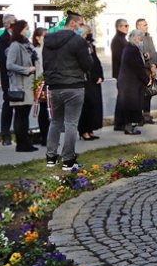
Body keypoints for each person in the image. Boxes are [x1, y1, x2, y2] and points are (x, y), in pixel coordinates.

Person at [42, 10, 93, 171]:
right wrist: (89, 55)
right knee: (71, 123)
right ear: (72, 23)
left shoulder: (48, 39)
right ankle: (68, 160)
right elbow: (87, 64)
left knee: (55, 121)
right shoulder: (78, 41)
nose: (81, 27)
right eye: (80, 24)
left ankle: (51, 157)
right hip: (73, 86)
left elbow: (45, 63)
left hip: (54, 86)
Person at [5, 19, 39, 153]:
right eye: (26, 28)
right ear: (20, 30)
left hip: (27, 85)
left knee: (24, 116)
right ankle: (21, 144)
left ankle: (25, 143)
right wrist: (26, 70)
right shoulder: (15, 45)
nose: (28, 31)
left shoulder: (26, 44)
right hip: (20, 86)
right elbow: (9, 65)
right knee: (20, 116)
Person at [117, 29, 149, 135]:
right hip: (130, 83)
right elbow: (138, 68)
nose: (141, 41)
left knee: (131, 105)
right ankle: (129, 128)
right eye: (140, 38)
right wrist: (147, 80)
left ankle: (130, 126)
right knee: (131, 106)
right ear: (136, 38)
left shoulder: (130, 47)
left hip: (129, 81)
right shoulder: (132, 49)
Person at [0, 13, 17, 146]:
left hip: (20, 77)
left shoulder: (18, 37)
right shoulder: (2, 40)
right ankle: (5, 135)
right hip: (9, 78)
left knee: (21, 106)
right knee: (8, 104)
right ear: (7, 24)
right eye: (15, 22)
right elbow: (3, 60)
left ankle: (21, 134)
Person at [78, 26, 104, 141]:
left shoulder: (91, 45)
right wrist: (94, 76)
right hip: (86, 80)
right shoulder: (80, 46)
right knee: (86, 106)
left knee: (94, 105)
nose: (90, 34)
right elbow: (85, 64)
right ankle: (84, 130)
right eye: (88, 32)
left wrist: (100, 75)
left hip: (95, 80)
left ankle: (91, 129)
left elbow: (96, 62)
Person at [135, 18, 157, 124]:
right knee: (140, 94)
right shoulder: (135, 38)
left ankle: (147, 115)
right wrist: (146, 57)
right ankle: (138, 117)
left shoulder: (148, 37)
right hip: (141, 70)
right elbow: (137, 54)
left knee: (148, 94)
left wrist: (154, 64)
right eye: (144, 25)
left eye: (146, 25)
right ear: (138, 26)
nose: (146, 27)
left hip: (149, 69)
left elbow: (153, 52)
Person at [110, 18, 129, 131]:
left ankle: (122, 122)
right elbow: (120, 57)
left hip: (125, 73)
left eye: (127, 25)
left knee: (124, 98)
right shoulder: (117, 40)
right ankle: (119, 123)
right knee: (122, 98)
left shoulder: (122, 39)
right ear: (119, 27)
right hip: (122, 74)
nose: (127, 28)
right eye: (125, 26)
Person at [32, 27, 50, 146]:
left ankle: (49, 136)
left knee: (50, 110)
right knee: (44, 109)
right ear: (38, 38)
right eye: (44, 36)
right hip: (41, 82)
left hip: (49, 81)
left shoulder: (47, 49)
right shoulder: (37, 51)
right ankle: (44, 137)